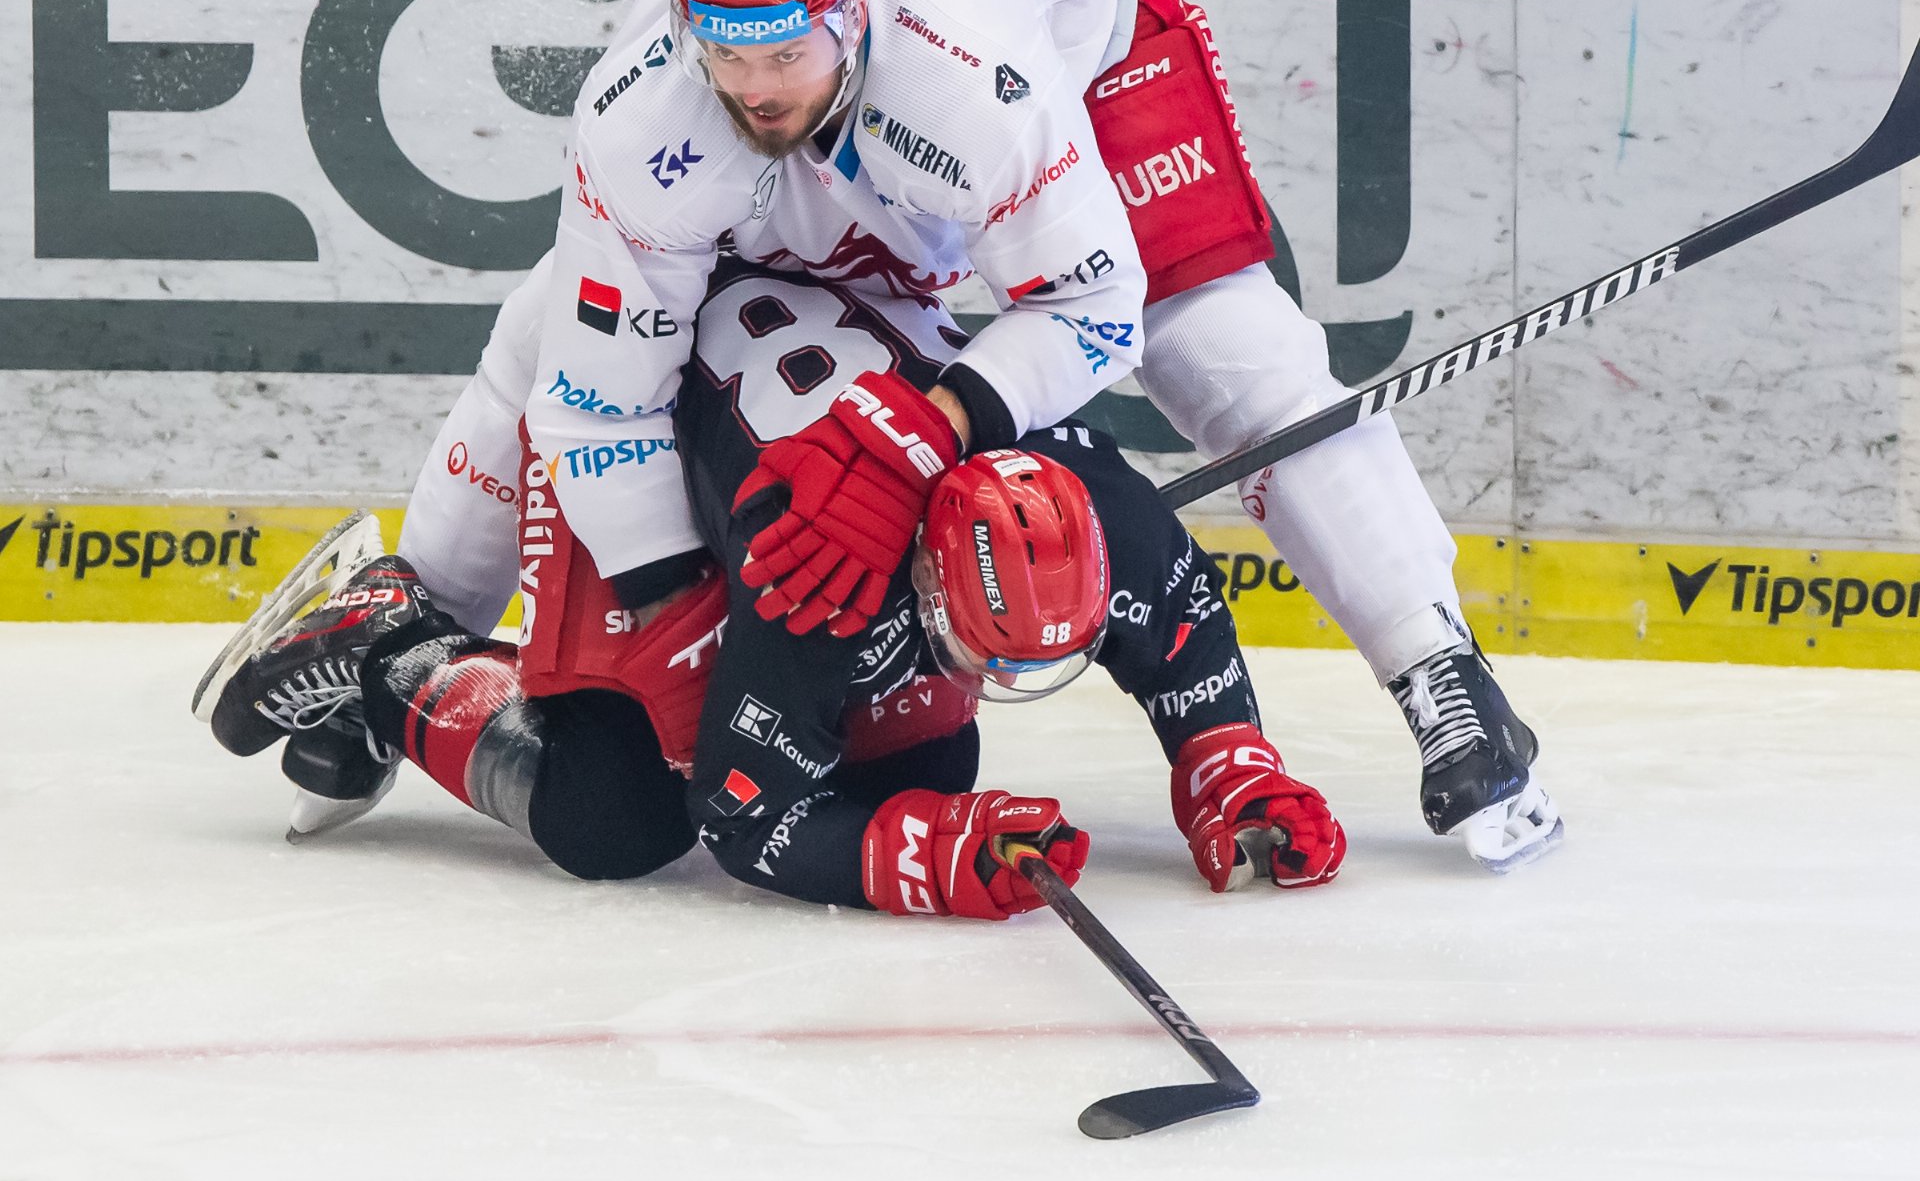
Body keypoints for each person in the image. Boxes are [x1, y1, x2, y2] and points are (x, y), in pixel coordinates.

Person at [396, 0, 1558, 871]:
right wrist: (681, 610)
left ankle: (1441, 675)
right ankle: (406, 623)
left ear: (851, 12)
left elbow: (1091, 306)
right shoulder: (652, 106)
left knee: (1222, 347)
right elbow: (601, 395)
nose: (754, 87)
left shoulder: (974, 81)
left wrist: (925, 430)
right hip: (876, 36)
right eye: (730, 54)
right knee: (553, 322)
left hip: (1077, 35)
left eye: (783, 53)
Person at [195, 263, 1345, 913]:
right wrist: (930, 862)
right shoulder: (822, 587)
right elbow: (747, 821)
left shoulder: (1096, 501)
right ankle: (393, 651)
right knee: (618, 813)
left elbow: (1178, 624)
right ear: (924, 582)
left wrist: (1231, 770)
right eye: (984, 651)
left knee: (926, 763)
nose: (997, 680)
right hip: (624, 393)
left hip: (774, 342)